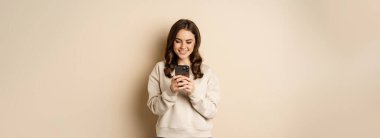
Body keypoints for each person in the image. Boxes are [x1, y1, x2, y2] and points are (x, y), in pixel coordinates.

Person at [147, 19, 221, 138]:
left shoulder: (207, 72)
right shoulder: (160, 68)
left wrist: (193, 93)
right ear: (172, 42)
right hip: (167, 135)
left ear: (195, 43)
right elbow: (154, 108)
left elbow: (212, 111)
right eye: (178, 41)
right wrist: (170, 92)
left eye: (188, 41)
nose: (183, 46)